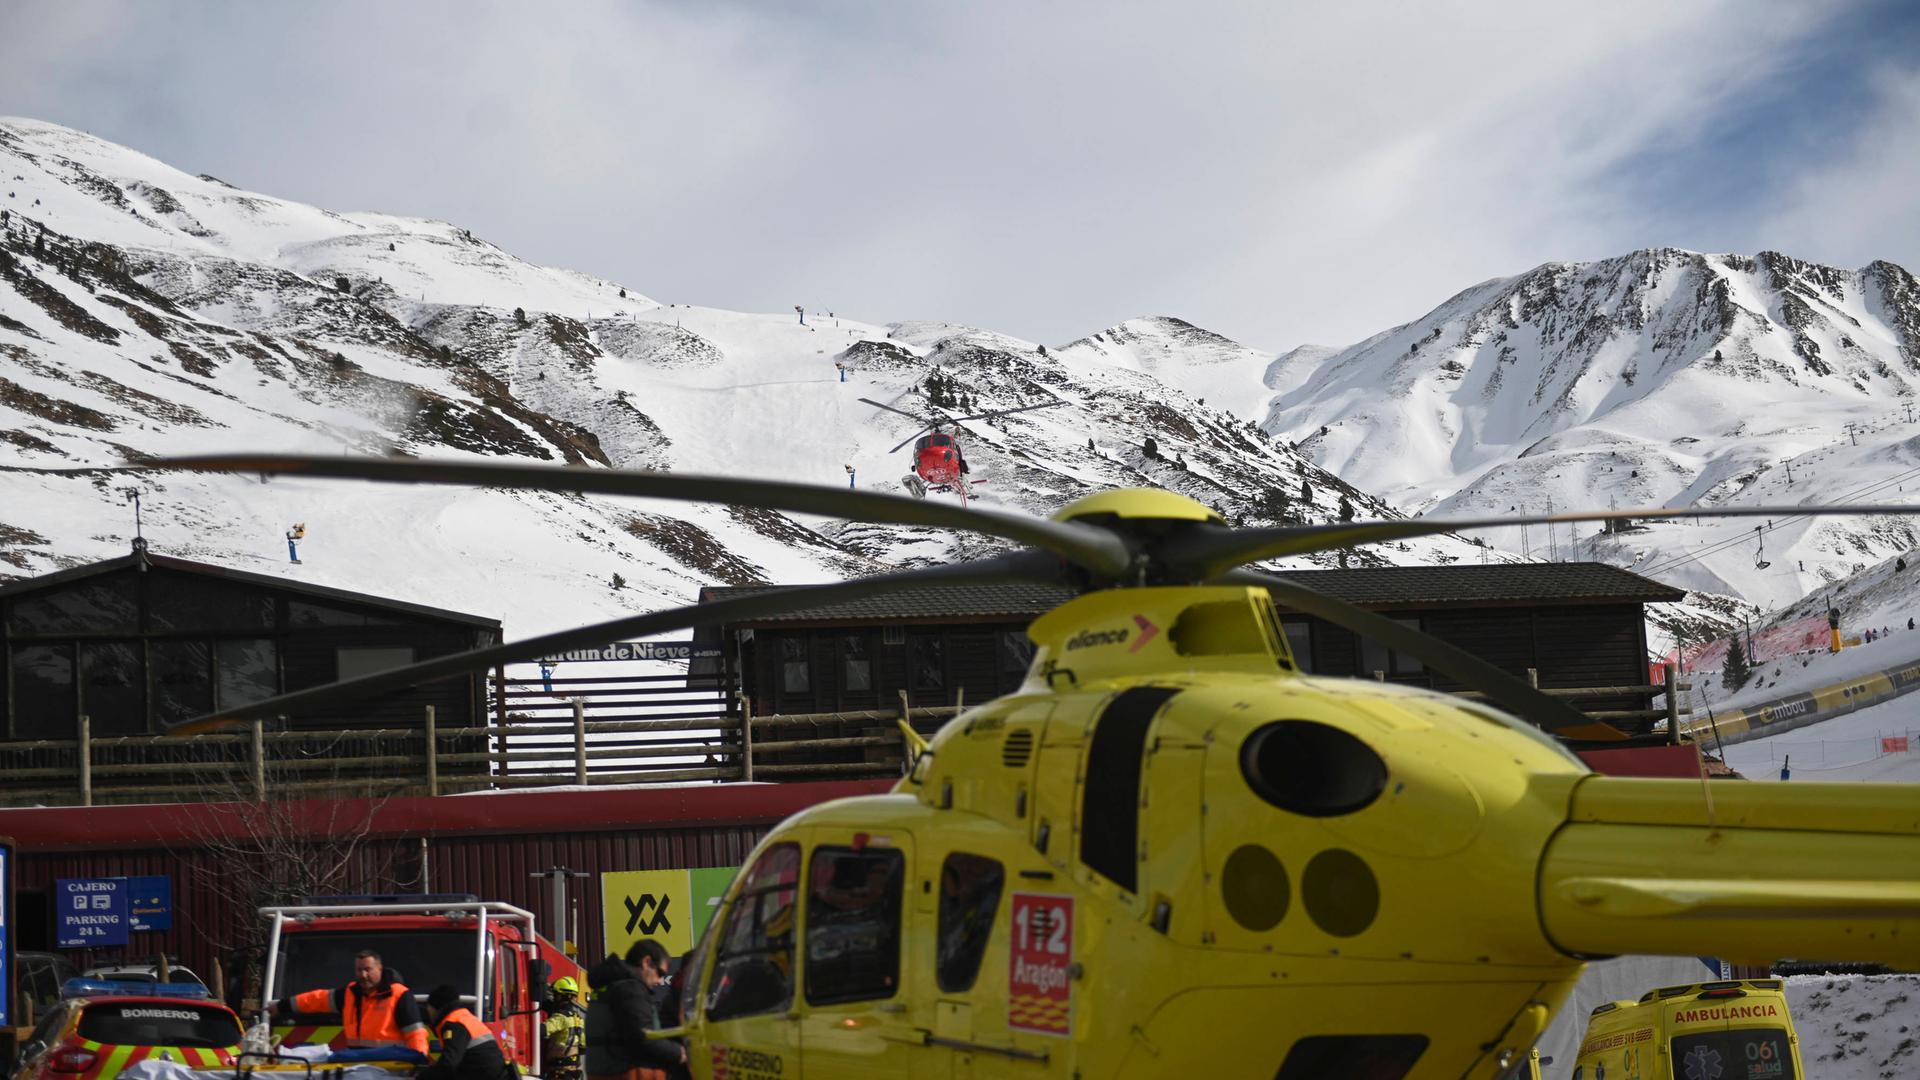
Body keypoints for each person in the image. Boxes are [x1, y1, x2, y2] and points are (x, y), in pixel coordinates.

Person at [271, 949, 428, 1054]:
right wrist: (282, 1006)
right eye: (359, 970)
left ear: (379, 969)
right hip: (357, 1065)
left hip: (393, 1067)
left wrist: (418, 1063)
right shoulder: (350, 994)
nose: (363, 975)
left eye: (368, 969)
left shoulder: (400, 995)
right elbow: (315, 1000)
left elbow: (416, 1035)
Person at [584, 943, 684, 1080]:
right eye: (659, 973)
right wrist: (680, 1053)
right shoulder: (630, 989)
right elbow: (644, 1036)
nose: (660, 981)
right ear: (646, 962)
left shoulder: (607, 987)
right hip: (630, 1073)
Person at [418, 985, 513, 1080]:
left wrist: (423, 1077)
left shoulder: (454, 1023)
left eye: (428, 1008)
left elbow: (448, 1064)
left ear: (436, 1008)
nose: (428, 1014)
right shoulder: (463, 1017)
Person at [542, 976, 586, 1080]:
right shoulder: (579, 1019)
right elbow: (583, 1047)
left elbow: (541, 1031)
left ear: (559, 997)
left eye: (555, 995)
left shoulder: (560, 1017)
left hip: (559, 1072)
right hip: (573, 1072)